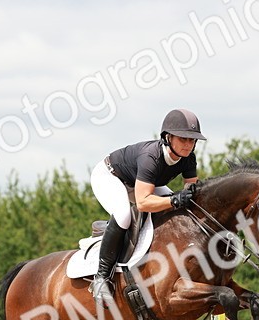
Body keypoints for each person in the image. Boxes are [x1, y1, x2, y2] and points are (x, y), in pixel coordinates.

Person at [88, 108, 206, 306]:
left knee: (175, 209)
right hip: (110, 177)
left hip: (142, 182)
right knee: (125, 214)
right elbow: (143, 202)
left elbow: (191, 192)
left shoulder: (188, 158)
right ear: (168, 137)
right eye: (183, 139)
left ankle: (113, 230)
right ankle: (101, 278)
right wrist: (174, 200)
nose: (188, 145)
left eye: (192, 140)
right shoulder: (151, 157)